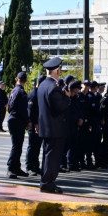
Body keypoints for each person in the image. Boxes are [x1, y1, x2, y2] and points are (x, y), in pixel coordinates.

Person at [38, 57, 69, 193]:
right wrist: (67, 97)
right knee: (52, 157)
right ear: (56, 71)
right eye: (59, 69)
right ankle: (47, 183)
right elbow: (60, 107)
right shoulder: (53, 88)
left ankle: (45, 180)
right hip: (54, 128)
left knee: (47, 155)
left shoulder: (43, 85)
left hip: (46, 127)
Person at [6, 71, 30, 178]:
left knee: (18, 145)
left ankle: (16, 167)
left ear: (17, 79)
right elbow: (23, 110)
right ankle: (11, 168)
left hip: (13, 118)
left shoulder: (13, 91)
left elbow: (9, 107)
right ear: (25, 81)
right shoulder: (22, 93)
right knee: (16, 146)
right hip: (17, 120)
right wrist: (27, 122)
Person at [26, 75, 45, 176]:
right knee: (32, 146)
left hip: (39, 124)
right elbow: (31, 112)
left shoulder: (40, 94)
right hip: (34, 125)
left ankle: (35, 166)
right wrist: (35, 124)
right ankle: (29, 167)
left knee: (37, 147)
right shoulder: (33, 95)